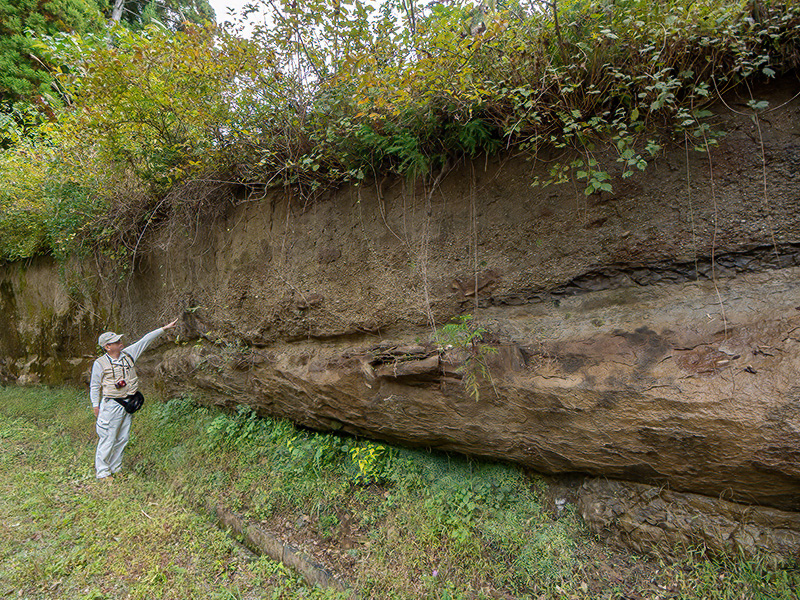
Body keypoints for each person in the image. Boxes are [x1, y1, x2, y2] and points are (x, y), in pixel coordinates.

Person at [90, 319, 178, 481]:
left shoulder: (129, 354)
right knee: (108, 437)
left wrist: (164, 329)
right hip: (111, 404)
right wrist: (96, 405)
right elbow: (95, 386)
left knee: (123, 437)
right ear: (107, 347)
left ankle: (116, 468)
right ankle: (102, 472)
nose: (119, 342)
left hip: (128, 403)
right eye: (115, 341)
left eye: (118, 339)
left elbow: (145, 340)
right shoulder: (99, 363)